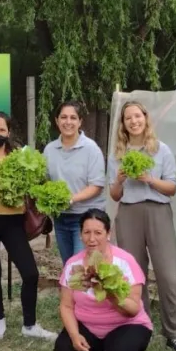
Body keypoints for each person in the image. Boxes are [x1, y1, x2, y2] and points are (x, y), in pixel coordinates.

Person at [109, 101, 176, 351]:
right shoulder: (117, 154)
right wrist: (120, 180)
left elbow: (172, 188)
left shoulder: (161, 150)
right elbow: (114, 195)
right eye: (128, 118)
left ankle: (174, 333)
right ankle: (140, 326)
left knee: (167, 275)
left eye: (137, 116)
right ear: (123, 124)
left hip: (157, 212)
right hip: (129, 213)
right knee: (134, 275)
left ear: (145, 119)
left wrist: (150, 180)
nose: (133, 121)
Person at [0, 112, 56, 341]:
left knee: (30, 273)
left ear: (8, 132)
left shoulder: (19, 157)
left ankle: (30, 324)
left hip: (14, 222)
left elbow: (36, 186)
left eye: (1, 130)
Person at [53, 209, 153, 351]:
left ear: (108, 234)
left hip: (127, 324)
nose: (92, 238)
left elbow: (133, 309)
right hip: (90, 326)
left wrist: (111, 294)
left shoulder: (124, 261)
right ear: (81, 235)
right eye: (86, 232)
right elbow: (66, 305)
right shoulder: (74, 264)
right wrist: (75, 335)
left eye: (98, 233)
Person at [44, 101, 107, 264]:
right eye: (63, 117)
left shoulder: (91, 149)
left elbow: (96, 186)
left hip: (86, 218)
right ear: (56, 120)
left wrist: (71, 199)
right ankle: (70, 291)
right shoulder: (50, 150)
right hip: (61, 217)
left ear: (80, 122)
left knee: (83, 265)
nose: (68, 122)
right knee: (69, 265)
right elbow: (45, 182)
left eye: (73, 118)